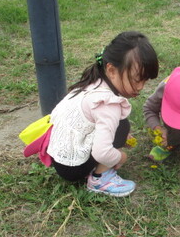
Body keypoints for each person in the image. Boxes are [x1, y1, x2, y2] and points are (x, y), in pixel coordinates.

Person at [47, 31, 159, 196]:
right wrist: (121, 157)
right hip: (73, 168)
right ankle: (100, 178)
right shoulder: (108, 104)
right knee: (122, 125)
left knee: (118, 127)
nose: (141, 86)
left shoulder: (93, 82)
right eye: (137, 79)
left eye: (145, 80)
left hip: (58, 157)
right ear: (111, 70)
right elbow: (102, 152)